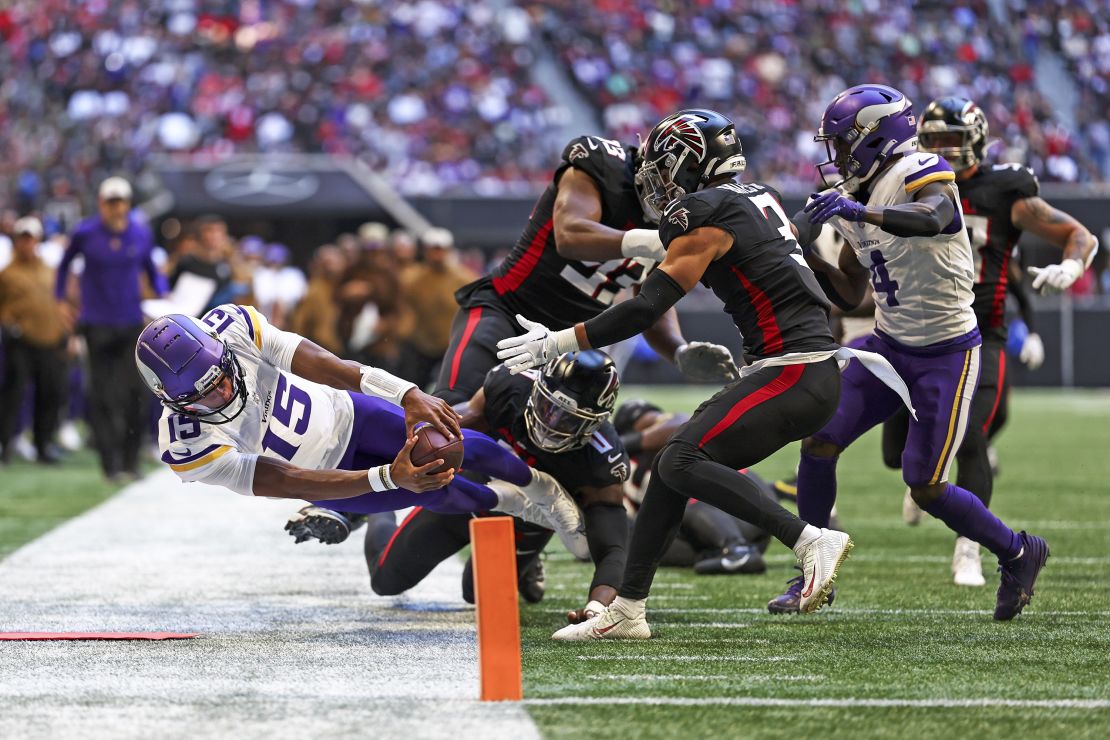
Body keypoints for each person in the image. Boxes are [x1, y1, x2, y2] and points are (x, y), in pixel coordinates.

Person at [496, 109, 905, 639]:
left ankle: (808, 538)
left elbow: (646, 308)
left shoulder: (703, 212)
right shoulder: (757, 197)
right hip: (805, 370)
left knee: (682, 457)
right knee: (672, 467)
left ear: (688, 164)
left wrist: (559, 339)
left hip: (793, 370)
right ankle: (627, 611)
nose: (656, 179)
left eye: (664, 166)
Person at [779, 84, 1054, 621]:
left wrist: (860, 211)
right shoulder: (856, 197)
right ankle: (812, 570)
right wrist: (803, 251)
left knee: (925, 485)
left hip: (946, 351)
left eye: (840, 143)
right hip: (887, 344)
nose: (833, 157)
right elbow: (853, 291)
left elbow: (936, 218)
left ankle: (1019, 551)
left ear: (873, 137)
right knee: (819, 439)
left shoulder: (919, 167)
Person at [136, 306, 585, 546]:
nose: (225, 390)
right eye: (205, 392)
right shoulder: (186, 445)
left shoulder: (234, 328)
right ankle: (514, 503)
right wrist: (391, 477)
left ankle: (540, 485)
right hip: (320, 477)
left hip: (348, 413)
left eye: (223, 373)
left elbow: (327, 366)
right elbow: (286, 479)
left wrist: (407, 394)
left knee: (454, 444)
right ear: (169, 399)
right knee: (438, 492)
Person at [886, 96, 1097, 585]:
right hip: (914, 329)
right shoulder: (904, 183)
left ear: (975, 141)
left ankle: (969, 547)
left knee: (973, 434)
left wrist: (1070, 266)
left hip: (981, 331)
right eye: (932, 140)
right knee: (896, 455)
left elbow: (1078, 235)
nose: (941, 150)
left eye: (950, 141)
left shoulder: (1003, 190)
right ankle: (930, 471)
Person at [289, 351, 630, 618]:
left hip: (531, 517)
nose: (550, 423)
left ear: (596, 424)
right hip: (470, 490)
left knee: (476, 594)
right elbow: (441, 436)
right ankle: (374, 515)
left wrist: (598, 608)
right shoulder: (510, 386)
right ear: (536, 388)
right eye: (547, 406)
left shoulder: (601, 460)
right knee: (386, 580)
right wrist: (355, 492)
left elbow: (612, 547)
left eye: (567, 419)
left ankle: (527, 563)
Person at [435, 132, 737, 406]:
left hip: (566, 349)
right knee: (448, 416)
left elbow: (651, 302)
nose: (684, 197)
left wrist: (679, 351)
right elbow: (570, 235)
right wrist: (650, 242)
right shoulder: (601, 166)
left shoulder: (677, 220)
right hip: (506, 313)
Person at [56, 176, 168, 480]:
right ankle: (110, 465)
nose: (116, 207)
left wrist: (161, 289)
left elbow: (150, 268)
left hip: (130, 321)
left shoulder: (140, 233)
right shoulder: (85, 232)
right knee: (102, 396)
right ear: (101, 203)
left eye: (121, 201)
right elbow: (64, 265)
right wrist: (60, 300)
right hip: (95, 323)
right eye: (111, 201)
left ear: (128, 204)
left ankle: (130, 462)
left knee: (137, 394)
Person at [614, 400, 769, 576]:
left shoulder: (654, 452)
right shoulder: (638, 462)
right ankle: (729, 551)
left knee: (681, 496)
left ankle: (737, 548)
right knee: (649, 541)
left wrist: (627, 442)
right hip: (749, 529)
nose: (658, 425)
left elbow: (680, 423)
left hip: (744, 502)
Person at [0, 217, 68, 464]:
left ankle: (43, 445)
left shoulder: (49, 271)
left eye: (31, 239)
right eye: (23, 239)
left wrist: (65, 331)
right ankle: (4, 443)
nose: (27, 244)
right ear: (17, 241)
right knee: (12, 395)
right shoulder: (7, 273)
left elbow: (60, 303)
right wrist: (9, 323)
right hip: (21, 342)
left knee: (49, 395)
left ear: (37, 240)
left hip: (49, 341)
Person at [398, 227, 477, 387]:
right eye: (433, 250)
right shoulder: (411, 279)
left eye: (440, 250)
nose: (437, 255)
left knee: (453, 387)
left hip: (451, 344)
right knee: (413, 386)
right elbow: (402, 308)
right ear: (425, 251)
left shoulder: (464, 279)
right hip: (419, 344)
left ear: (448, 250)